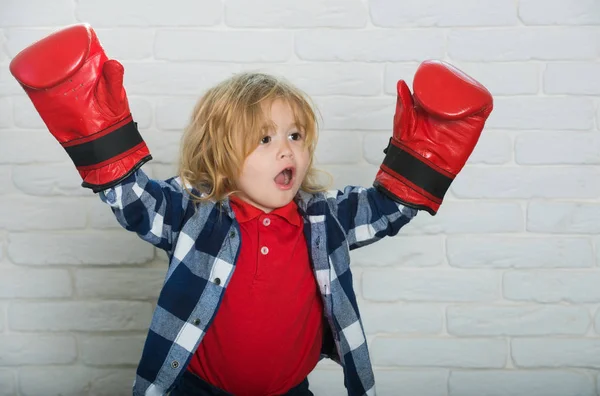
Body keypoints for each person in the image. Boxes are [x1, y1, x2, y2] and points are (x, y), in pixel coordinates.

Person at [9, 23, 493, 396]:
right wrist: (99, 135)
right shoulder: (194, 214)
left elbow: (385, 209)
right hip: (196, 388)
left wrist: (424, 159)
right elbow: (135, 200)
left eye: (295, 135)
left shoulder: (324, 220)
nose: (287, 150)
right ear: (219, 154)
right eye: (264, 139)